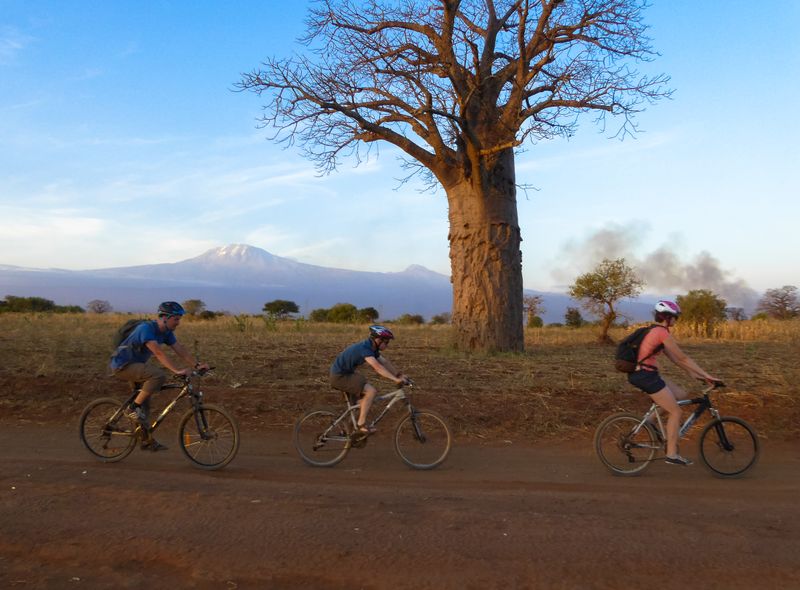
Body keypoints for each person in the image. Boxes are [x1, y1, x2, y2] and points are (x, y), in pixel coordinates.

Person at [627, 300, 721, 466]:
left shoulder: (656, 331)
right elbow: (683, 357)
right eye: (674, 317)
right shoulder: (661, 333)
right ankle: (671, 454)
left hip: (647, 374)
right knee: (676, 412)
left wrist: (698, 375)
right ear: (667, 317)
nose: (676, 321)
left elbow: (677, 361)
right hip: (645, 375)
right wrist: (708, 375)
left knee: (680, 395)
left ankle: (649, 421)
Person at [109, 301, 209, 451]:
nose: (178, 322)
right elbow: (158, 353)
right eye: (176, 319)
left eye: (179, 319)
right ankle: (131, 409)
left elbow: (179, 349)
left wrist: (196, 365)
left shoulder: (166, 332)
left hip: (137, 366)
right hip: (123, 366)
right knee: (157, 376)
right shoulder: (146, 329)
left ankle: (145, 440)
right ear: (165, 318)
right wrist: (176, 370)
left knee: (144, 407)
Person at [329, 325, 409, 435]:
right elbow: (377, 367)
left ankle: (347, 430)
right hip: (339, 377)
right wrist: (395, 379)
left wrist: (399, 375)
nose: (387, 345)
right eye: (386, 342)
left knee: (362, 402)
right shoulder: (365, 349)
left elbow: (384, 362)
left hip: (345, 374)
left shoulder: (372, 348)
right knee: (371, 391)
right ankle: (361, 425)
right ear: (378, 339)